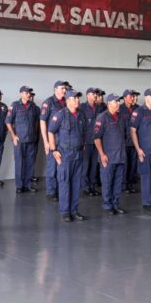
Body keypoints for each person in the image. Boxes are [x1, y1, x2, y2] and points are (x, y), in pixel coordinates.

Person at [48, 89, 87, 223]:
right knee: (64, 183)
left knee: (76, 184)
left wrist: (84, 143)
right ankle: (65, 211)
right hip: (65, 154)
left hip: (78, 154)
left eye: (78, 98)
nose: (77, 100)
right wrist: (54, 150)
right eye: (74, 98)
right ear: (68, 100)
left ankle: (74, 211)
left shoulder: (81, 115)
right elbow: (51, 132)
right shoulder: (60, 115)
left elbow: (84, 131)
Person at [94, 93, 129, 215]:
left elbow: (124, 136)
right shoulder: (102, 118)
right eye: (115, 102)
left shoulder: (121, 117)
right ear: (109, 103)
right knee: (107, 182)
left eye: (119, 101)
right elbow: (97, 138)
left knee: (118, 182)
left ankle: (115, 204)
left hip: (120, 156)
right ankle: (107, 205)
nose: (118, 104)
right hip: (108, 157)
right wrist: (102, 154)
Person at [5, 86, 40, 194]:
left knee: (30, 163)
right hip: (19, 140)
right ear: (21, 94)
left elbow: (36, 122)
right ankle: (19, 186)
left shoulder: (33, 106)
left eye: (29, 92)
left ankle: (28, 185)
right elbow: (8, 122)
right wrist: (13, 135)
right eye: (26, 93)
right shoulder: (15, 105)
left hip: (30, 139)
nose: (28, 94)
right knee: (19, 163)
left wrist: (35, 134)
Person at [40, 81, 69, 201]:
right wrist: (46, 142)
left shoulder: (68, 102)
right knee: (52, 167)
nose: (64, 91)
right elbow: (43, 122)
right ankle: (51, 192)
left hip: (65, 141)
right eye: (61, 88)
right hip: (53, 140)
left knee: (62, 167)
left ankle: (60, 190)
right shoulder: (49, 102)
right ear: (55, 90)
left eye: (65, 88)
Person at [79, 88, 102, 197]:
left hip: (96, 141)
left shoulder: (99, 108)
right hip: (86, 142)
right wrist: (82, 141)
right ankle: (86, 187)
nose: (95, 95)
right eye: (93, 94)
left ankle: (92, 186)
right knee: (86, 165)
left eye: (96, 94)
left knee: (94, 165)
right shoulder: (83, 108)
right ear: (88, 95)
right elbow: (80, 126)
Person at [122, 89, 141, 193]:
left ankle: (129, 184)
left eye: (134, 96)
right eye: (131, 96)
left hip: (134, 142)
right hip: (124, 142)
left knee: (133, 165)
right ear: (125, 98)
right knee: (125, 165)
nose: (133, 98)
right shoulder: (120, 109)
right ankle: (124, 185)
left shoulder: (137, 109)